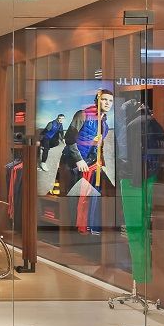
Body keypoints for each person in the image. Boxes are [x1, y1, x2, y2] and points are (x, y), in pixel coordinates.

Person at [63, 89, 113, 234]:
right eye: (104, 99)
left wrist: (101, 164)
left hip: (90, 164)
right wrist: (79, 160)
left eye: (110, 101)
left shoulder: (105, 125)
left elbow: (98, 147)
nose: (107, 103)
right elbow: (69, 138)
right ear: (97, 100)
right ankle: (72, 235)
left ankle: (86, 229)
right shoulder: (83, 115)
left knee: (88, 198)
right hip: (73, 163)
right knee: (74, 199)